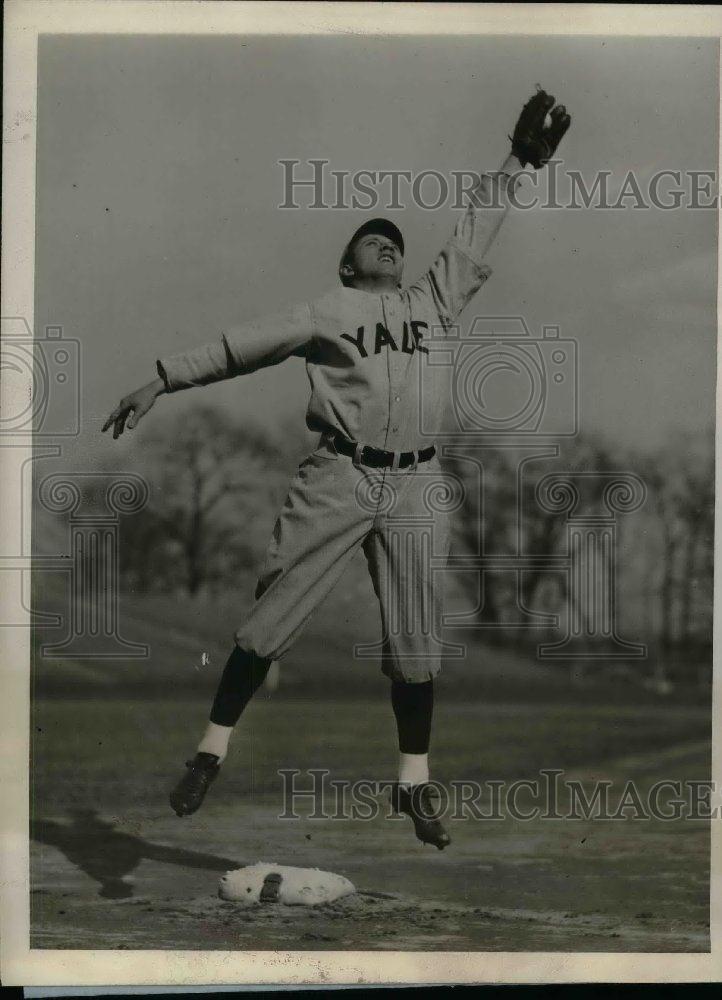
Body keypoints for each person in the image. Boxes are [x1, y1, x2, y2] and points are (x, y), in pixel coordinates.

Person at [103, 89, 570, 850]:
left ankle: (413, 783)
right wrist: (161, 375)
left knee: (419, 641)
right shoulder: (328, 311)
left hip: (418, 481)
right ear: (347, 261)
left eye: (395, 239)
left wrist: (518, 160)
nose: (387, 241)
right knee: (270, 620)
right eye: (371, 237)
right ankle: (209, 754)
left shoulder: (434, 301)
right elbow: (237, 346)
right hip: (341, 475)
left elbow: (477, 224)